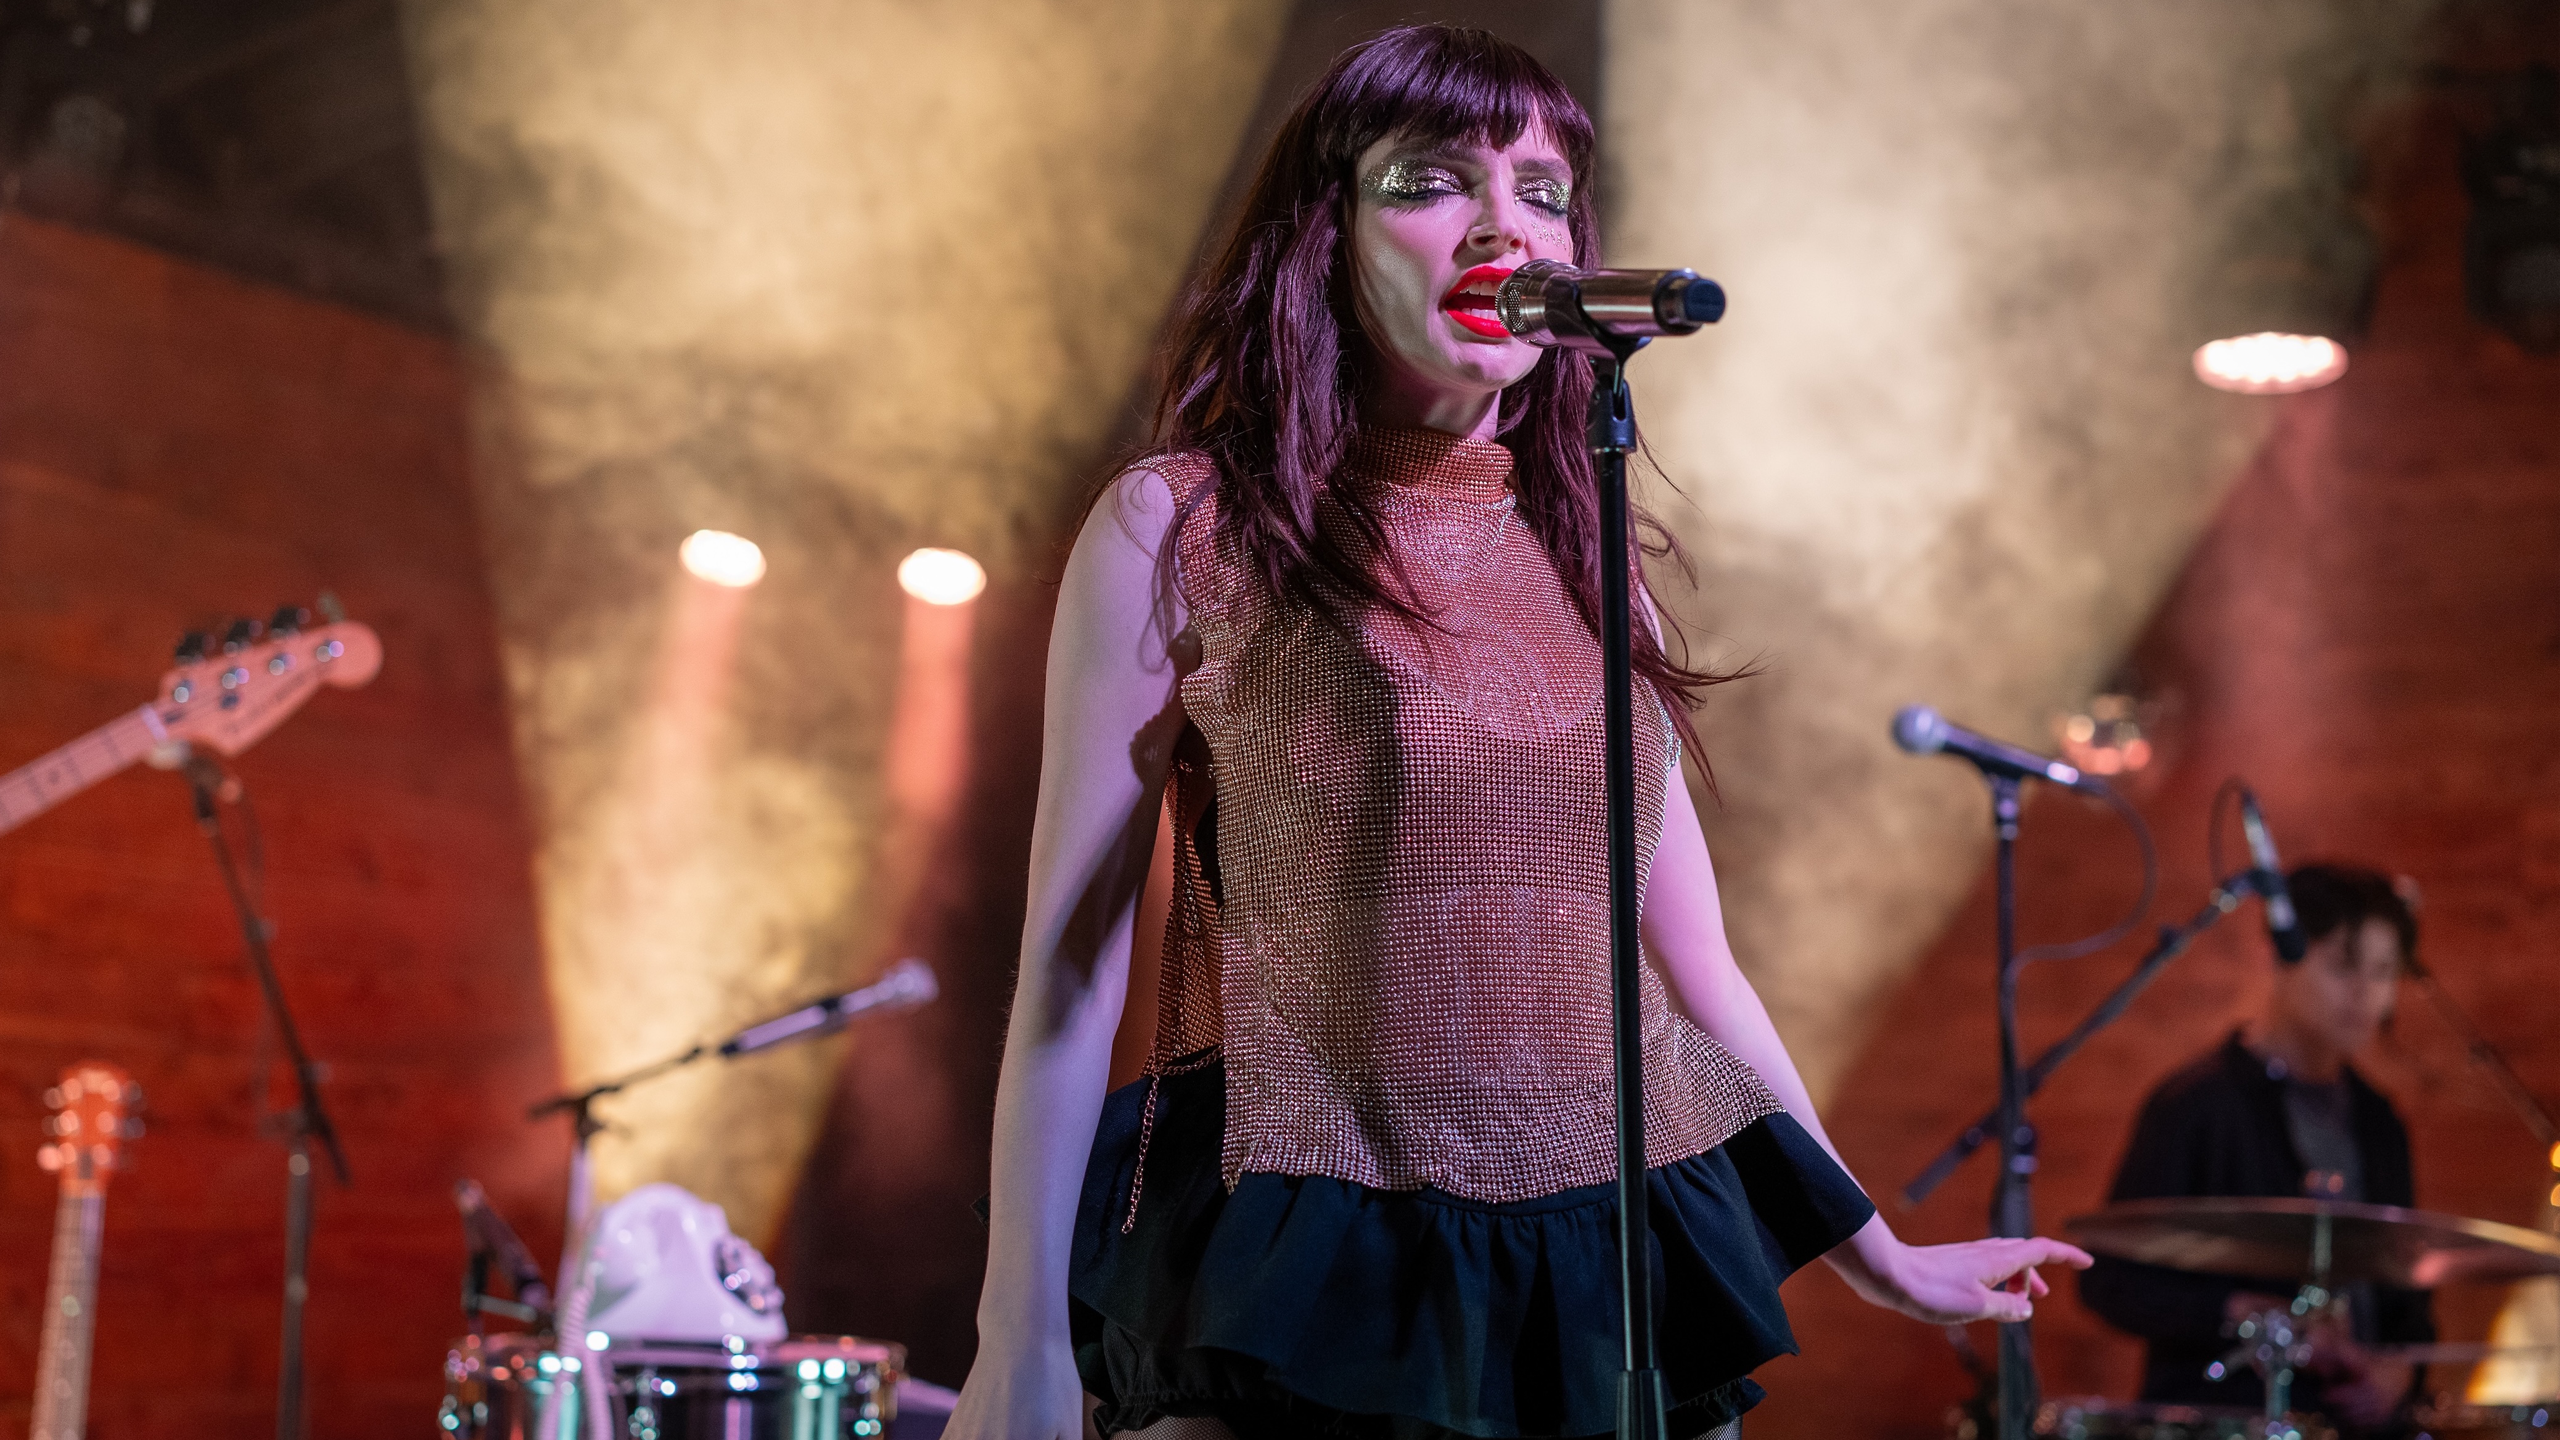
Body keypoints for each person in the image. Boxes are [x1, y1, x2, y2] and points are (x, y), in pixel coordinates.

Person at [946, 26, 2089, 1440]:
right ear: (1329, 235)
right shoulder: (1185, 526)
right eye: (1431, 179)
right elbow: (1069, 971)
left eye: (1542, 191)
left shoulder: (1594, 560)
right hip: (1322, 1234)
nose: (1501, 223)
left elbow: (1696, 972)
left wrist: (1883, 1258)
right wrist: (1017, 1347)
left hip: (1600, 1252)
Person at [2080, 863, 2434, 1430]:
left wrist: (2401, 1374)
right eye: (2343, 966)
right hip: (2228, 1417)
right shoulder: (2197, 1104)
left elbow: (2408, 1297)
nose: (2364, 993)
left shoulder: (2380, 1120)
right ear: (2284, 955)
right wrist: (2238, 1313)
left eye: (2384, 971)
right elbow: (2110, 1280)